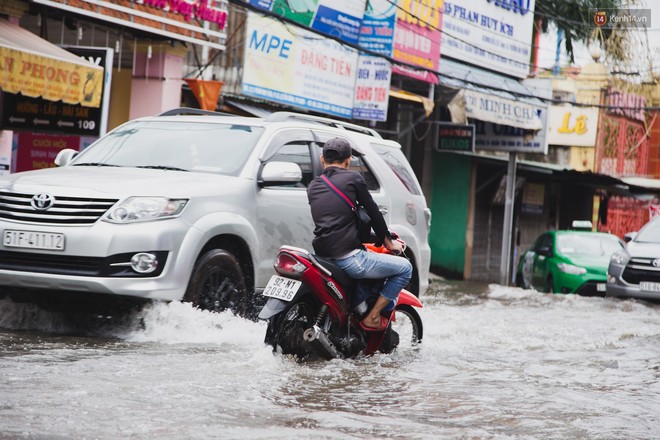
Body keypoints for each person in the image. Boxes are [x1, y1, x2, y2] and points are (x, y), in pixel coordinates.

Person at [307, 137, 413, 331]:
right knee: (405, 268)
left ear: (323, 160)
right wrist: (388, 242)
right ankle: (372, 317)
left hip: (322, 257)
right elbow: (373, 213)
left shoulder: (313, 185)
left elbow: (337, 223)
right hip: (349, 259)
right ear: (348, 161)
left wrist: (374, 237)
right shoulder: (353, 179)